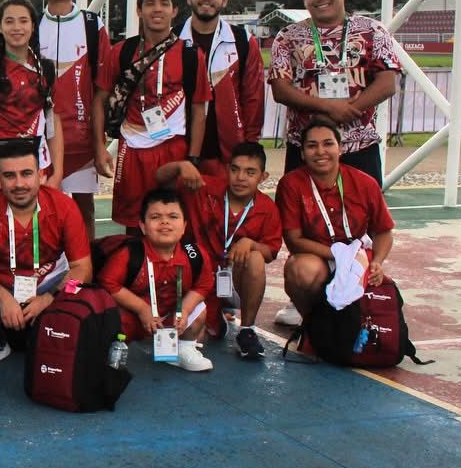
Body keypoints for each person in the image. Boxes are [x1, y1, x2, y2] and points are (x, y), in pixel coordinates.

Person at [0, 138, 91, 371]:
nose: (19, 184)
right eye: (9, 176)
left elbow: (82, 268)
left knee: (80, 304)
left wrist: (49, 298)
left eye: (26, 174)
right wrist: (3, 297)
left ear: (40, 175)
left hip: (49, 282)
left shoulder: (64, 206)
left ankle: (42, 334)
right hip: (0, 282)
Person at [92, 0, 211, 232]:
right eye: (150, 4)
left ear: (174, 10)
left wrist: (193, 158)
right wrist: (99, 147)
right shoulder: (122, 51)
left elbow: (199, 110)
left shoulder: (191, 54)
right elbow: (99, 100)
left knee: (173, 222)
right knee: (135, 225)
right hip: (132, 148)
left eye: (164, 4)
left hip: (173, 147)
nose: (157, 9)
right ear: (139, 10)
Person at [270, 0, 400, 183]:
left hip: (359, 146)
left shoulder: (373, 30)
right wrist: (329, 107)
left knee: (363, 205)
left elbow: (387, 83)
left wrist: (347, 110)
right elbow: (280, 90)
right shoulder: (287, 37)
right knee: (302, 205)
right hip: (307, 147)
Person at [155, 141, 282, 359]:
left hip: (235, 280)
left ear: (263, 177)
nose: (240, 178)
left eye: (250, 172)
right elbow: (160, 178)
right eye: (235, 169)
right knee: (195, 336)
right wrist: (179, 166)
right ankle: (216, 318)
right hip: (198, 277)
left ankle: (247, 330)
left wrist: (251, 244)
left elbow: (270, 252)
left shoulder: (267, 208)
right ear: (227, 169)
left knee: (255, 258)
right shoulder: (204, 188)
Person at [274, 118, 394, 329]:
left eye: (328, 144)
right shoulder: (291, 184)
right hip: (318, 256)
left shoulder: (365, 182)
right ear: (302, 153)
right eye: (312, 145)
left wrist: (376, 262)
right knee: (299, 269)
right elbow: (294, 241)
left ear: (341, 149)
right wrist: (339, 255)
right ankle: (313, 327)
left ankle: (351, 326)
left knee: (374, 296)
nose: (320, 151)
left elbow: (384, 231)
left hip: (357, 257)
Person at [96, 188, 216, 372]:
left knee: (199, 309)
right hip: (135, 317)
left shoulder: (195, 254)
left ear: (184, 226)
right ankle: (111, 351)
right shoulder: (130, 253)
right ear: (143, 226)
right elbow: (108, 283)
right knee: (113, 319)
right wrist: (142, 308)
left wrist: (184, 309)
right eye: (155, 217)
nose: (165, 222)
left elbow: (203, 284)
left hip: (171, 317)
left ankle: (183, 348)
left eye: (173, 217)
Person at [39, 0, 113, 241]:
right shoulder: (32, 24)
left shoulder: (92, 24)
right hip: (43, 138)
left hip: (81, 139)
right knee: (44, 208)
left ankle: (87, 263)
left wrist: (99, 143)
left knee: (84, 210)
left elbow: (102, 88)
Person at [0, 0, 63, 197]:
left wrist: (58, 172)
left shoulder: (45, 69)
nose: (17, 27)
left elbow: (53, 123)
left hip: (36, 160)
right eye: (9, 21)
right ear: (0, 27)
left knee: (35, 216)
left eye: (23, 21)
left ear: (33, 26)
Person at [179, 0, 265, 175]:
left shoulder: (243, 41)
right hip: (180, 148)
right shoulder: (172, 39)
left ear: (225, 0)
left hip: (227, 152)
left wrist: (250, 144)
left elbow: (253, 97)